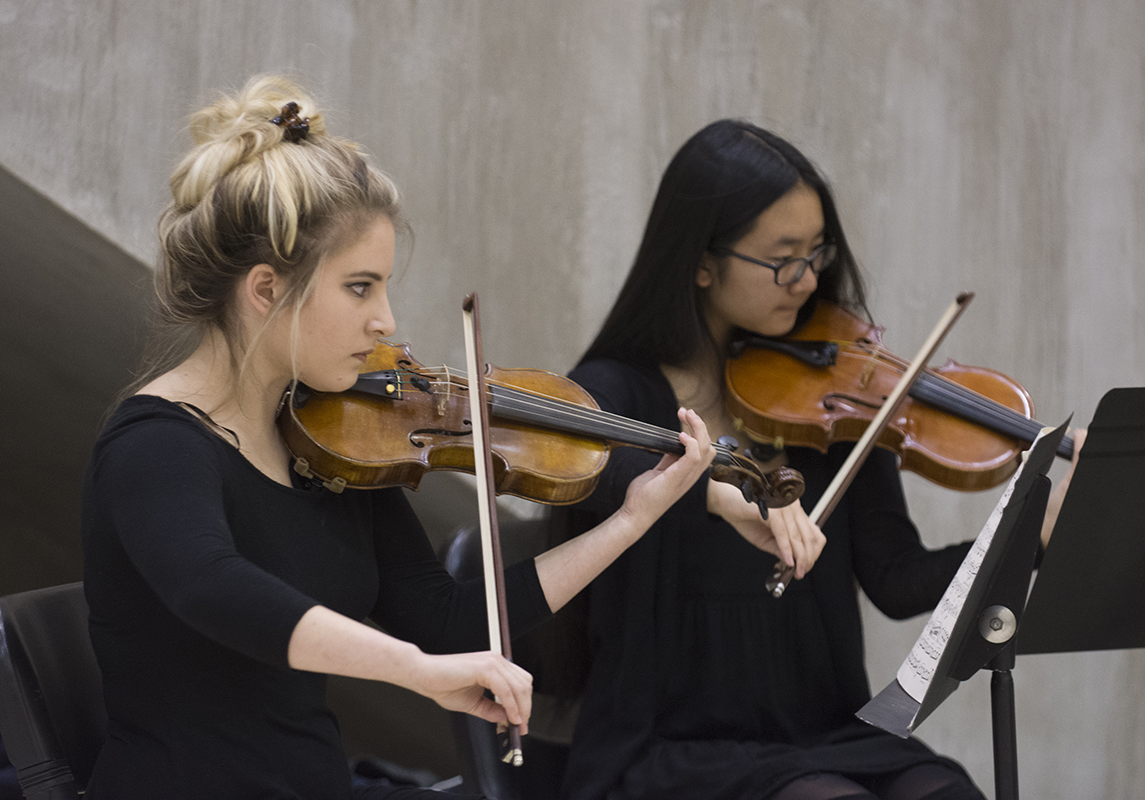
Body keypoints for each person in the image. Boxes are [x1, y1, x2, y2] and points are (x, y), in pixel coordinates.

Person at [79, 76, 719, 800]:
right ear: (266, 290)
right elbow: (213, 587)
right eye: (360, 287)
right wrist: (414, 672)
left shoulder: (325, 443)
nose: (386, 320)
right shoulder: (153, 447)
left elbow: (445, 620)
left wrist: (633, 519)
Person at [549, 119, 1082, 800]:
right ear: (702, 261)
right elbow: (580, 471)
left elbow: (897, 579)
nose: (805, 281)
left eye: (816, 253)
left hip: (823, 733)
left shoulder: (833, 402)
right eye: (782, 259)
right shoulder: (615, 389)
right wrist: (711, 491)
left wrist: (1034, 531)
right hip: (666, 746)